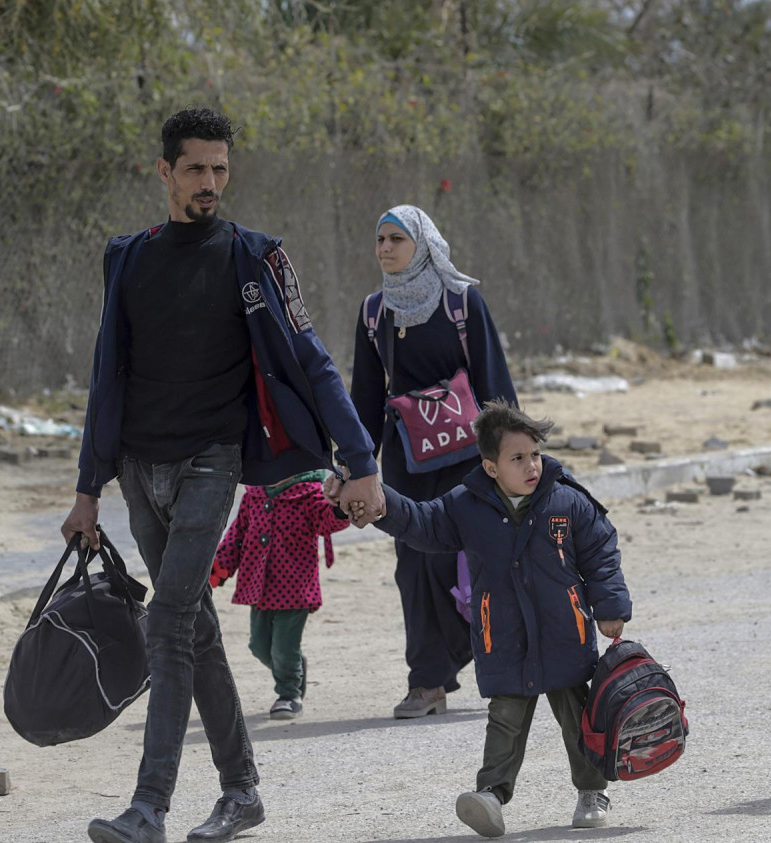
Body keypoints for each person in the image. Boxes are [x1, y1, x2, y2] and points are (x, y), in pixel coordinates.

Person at [61, 107, 385, 843]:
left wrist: (360, 461)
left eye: (221, 169)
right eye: (197, 169)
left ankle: (149, 806)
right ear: (165, 171)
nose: (211, 182)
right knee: (194, 624)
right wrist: (89, 487)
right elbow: (105, 374)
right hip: (141, 471)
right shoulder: (128, 258)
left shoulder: (257, 255)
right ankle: (242, 791)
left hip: (214, 462)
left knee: (170, 618)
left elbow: (312, 358)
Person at [359, 399, 631, 837]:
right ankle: (490, 796)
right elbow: (423, 523)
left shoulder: (567, 499)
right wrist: (380, 501)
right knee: (504, 719)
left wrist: (611, 607)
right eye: (517, 458)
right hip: (502, 637)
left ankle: (591, 791)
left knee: (579, 717)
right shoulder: (465, 506)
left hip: (566, 632)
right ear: (490, 467)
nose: (531, 466)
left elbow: (602, 552)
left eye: (535, 455)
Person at [346, 204, 518, 719]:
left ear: (421, 244)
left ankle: (495, 663)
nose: (385, 249)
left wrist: (512, 459)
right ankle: (427, 681)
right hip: (405, 461)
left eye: (396, 239)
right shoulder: (375, 312)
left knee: (470, 560)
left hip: (467, 458)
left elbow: (495, 384)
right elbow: (365, 396)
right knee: (413, 565)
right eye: (380, 240)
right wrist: (356, 466)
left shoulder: (462, 302)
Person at [209, 471, 351, 719]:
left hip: (295, 589)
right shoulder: (254, 495)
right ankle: (295, 670)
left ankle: (289, 694)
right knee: (259, 646)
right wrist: (217, 570)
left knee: (283, 649)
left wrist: (338, 506)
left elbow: (329, 521)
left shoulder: (310, 494)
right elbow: (236, 537)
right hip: (259, 587)